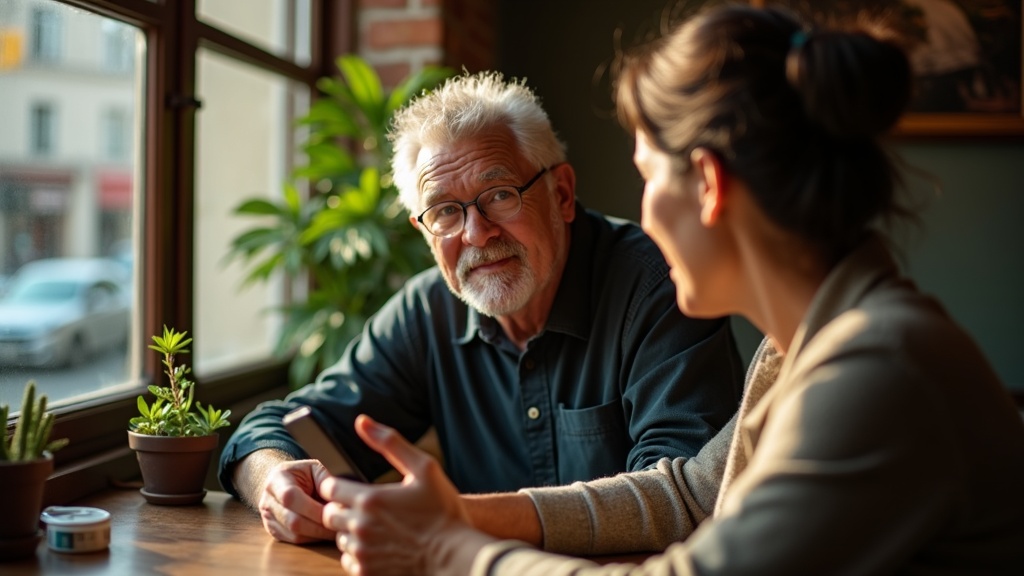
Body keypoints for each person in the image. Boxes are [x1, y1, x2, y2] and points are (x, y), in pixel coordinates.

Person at [316, 4, 1024, 575]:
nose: (639, 207)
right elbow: (685, 494)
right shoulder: (801, 351)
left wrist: (445, 550)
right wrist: (459, 516)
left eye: (648, 174)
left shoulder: (877, 369)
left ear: (709, 186)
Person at [218, 71, 746, 543]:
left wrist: (458, 519)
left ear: (562, 194)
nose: (476, 233)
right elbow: (272, 426)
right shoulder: (427, 313)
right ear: (424, 234)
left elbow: (685, 499)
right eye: (445, 212)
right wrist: (273, 481)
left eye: (499, 195)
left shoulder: (660, 284)